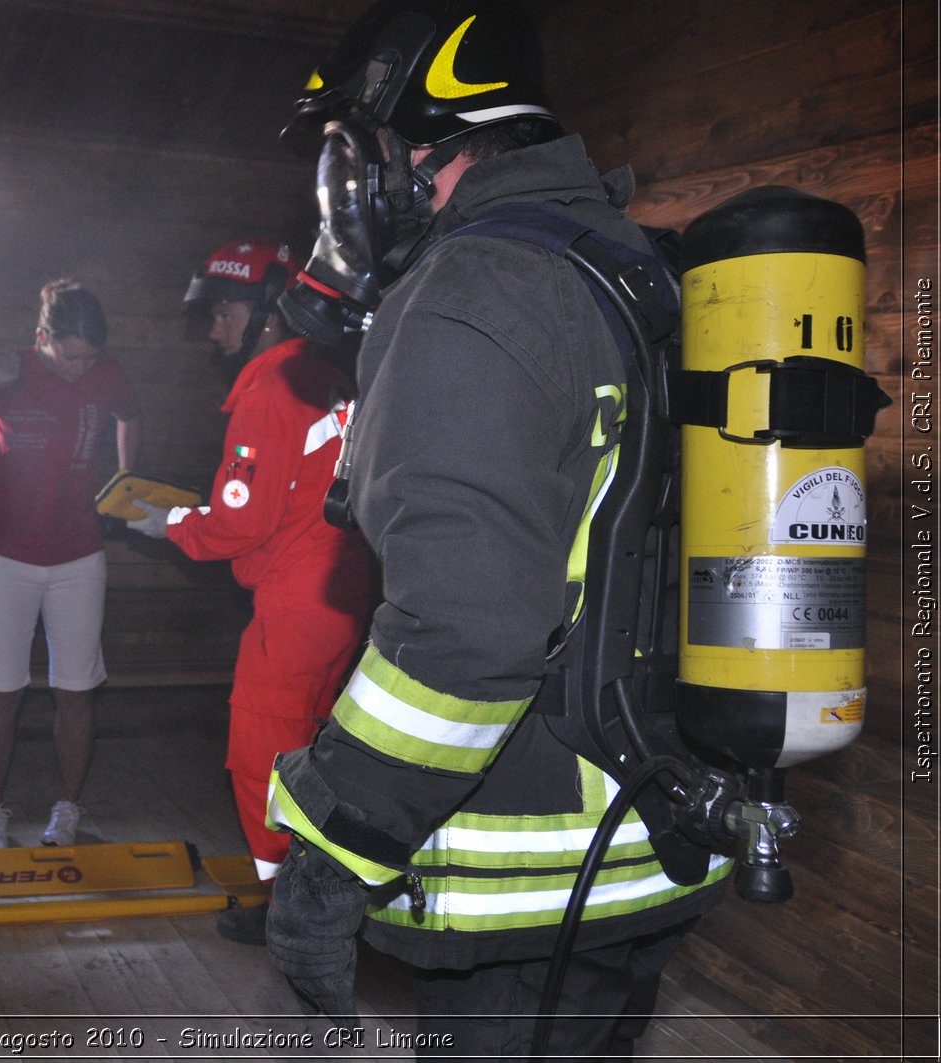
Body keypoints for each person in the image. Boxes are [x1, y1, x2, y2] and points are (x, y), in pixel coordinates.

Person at [261, 1, 731, 1057]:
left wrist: (337, 844)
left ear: (405, 153)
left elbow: (466, 631)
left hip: (534, 869)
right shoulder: (621, 260)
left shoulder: (473, 290)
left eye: (348, 149)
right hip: (651, 833)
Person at [125, 239, 370, 945]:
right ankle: (325, 890)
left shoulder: (270, 387)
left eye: (222, 310)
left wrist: (167, 522)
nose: (212, 326)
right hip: (341, 591)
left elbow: (241, 521)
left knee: (261, 749)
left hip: (295, 601)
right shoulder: (329, 373)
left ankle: (288, 910)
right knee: (316, 747)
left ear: (265, 312)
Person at [0, 280, 141, 849]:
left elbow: (129, 415)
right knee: (1, 690)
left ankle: (67, 810)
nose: (80, 368)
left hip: (79, 554)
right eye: (70, 356)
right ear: (41, 338)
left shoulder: (107, 374)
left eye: (90, 357)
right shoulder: (5, 372)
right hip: (2, 554)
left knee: (76, 691)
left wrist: (124, 482)